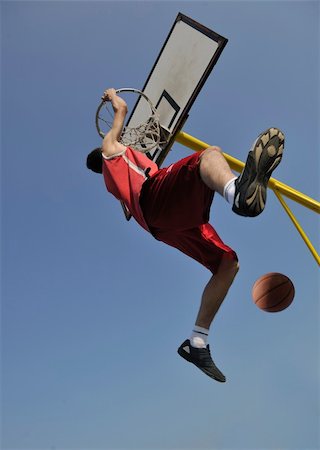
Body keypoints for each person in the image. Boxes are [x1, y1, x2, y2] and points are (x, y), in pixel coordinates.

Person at [86, 88, 285, 382]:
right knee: (208, 156)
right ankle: (235, 193)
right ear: (102, 154)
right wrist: (113, 96)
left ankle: (197, 342)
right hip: (153, 200)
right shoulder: (110, 150)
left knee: (227, 264)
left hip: (163, 227)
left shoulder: (112, 183)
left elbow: (127, 209)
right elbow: (122, 110)